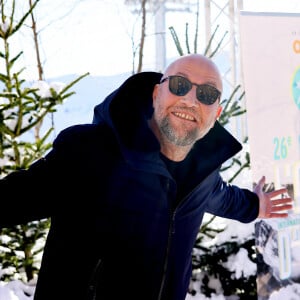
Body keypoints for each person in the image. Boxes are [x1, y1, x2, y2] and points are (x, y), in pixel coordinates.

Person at [0, 54, 293, 300]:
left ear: (215, 113)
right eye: (179, 85)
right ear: (156, 93)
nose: (190, 100)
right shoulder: (89, 151)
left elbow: (224, 197)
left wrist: (257, 205)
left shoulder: (201, 174)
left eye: (206, 94)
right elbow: (14, 198)